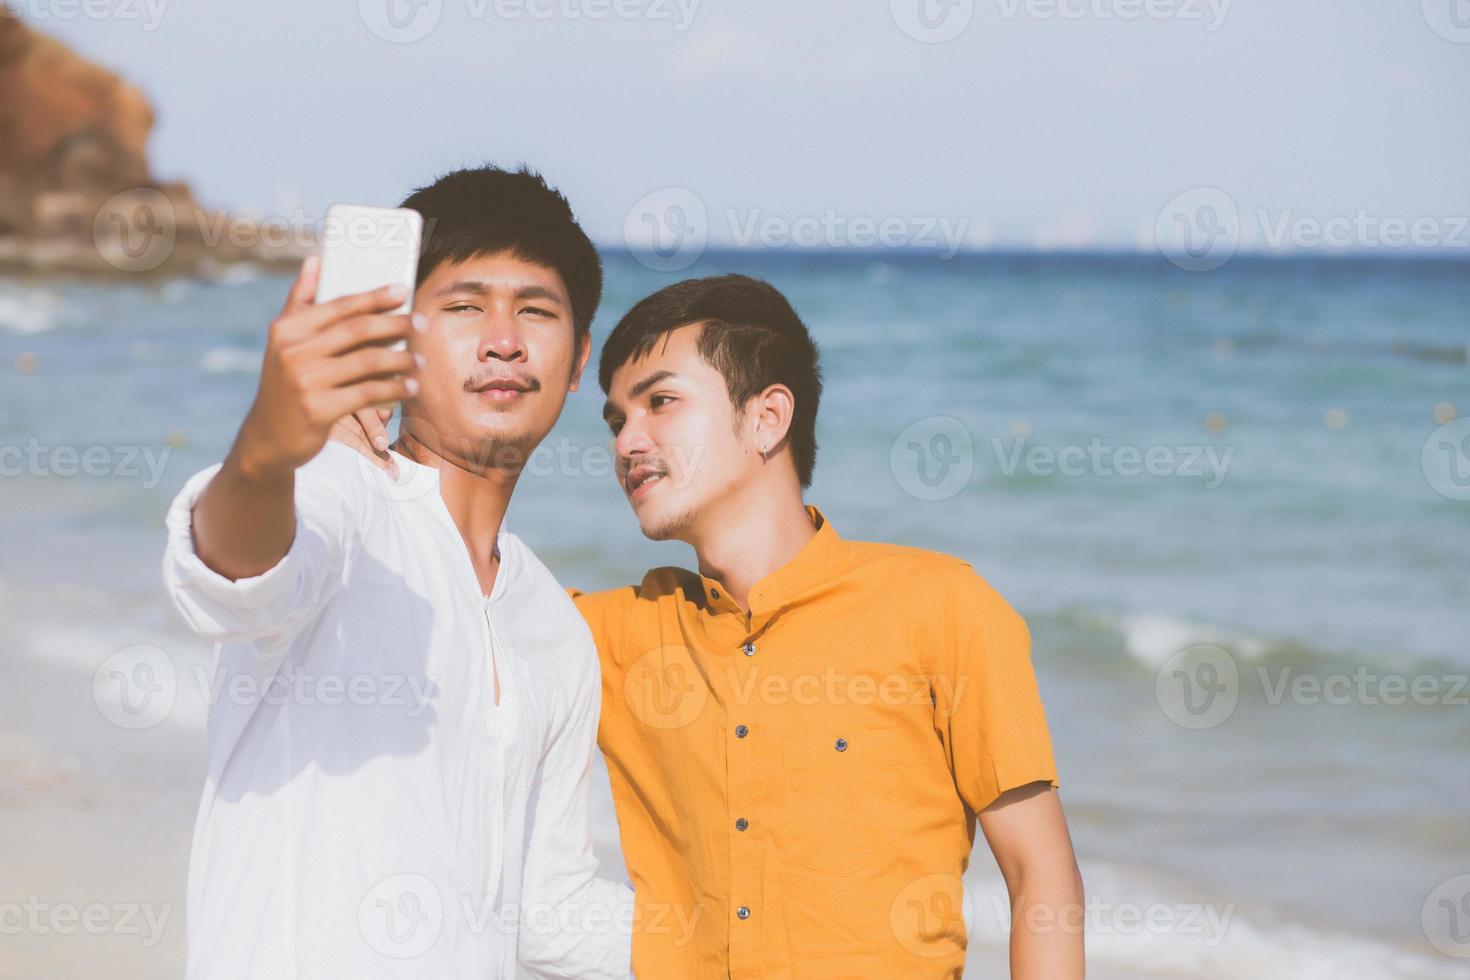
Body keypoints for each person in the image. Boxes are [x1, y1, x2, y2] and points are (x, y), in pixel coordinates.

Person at [347, 273, 1086, 977]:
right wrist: (366, 454)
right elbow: (457, 588)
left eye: (659, 403)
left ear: (766, 418)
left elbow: (1040, 876)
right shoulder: (603, 635)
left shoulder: (944, 609)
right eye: (616, 419)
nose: (627, 443)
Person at [161, 165, 631, 980]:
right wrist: (273, 443)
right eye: (462, 306)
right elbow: (232, 574)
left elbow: (549, 914)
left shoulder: (553, 625)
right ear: (396, 337)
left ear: (580, 357)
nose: (504, 341)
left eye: (536, 311)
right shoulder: (340, 492)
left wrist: (766, 942)